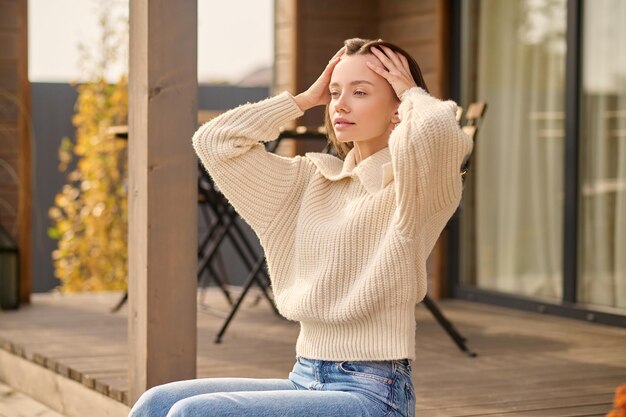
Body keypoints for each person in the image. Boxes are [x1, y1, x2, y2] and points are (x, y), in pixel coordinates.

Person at [128, 37, 472, 417]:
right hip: (306, 373)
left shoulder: (413, 189)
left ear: (398, 111)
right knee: (157, 403)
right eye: (335, 91)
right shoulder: (310, 181)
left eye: (360, 92)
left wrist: (411, 93)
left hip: (374, 392)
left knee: (192, 414)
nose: (339, 103)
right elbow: (215, 141)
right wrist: (304, 99)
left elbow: (439, 132)